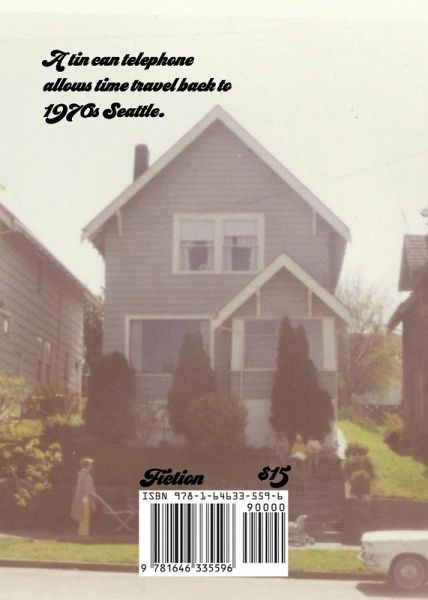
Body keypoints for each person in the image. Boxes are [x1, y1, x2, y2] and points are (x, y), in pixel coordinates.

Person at [71, 458, 97, 536]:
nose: (92, 466)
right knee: (85, 516)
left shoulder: (84, 474)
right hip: (84, 498)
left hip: (85, 498)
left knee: (84, 516)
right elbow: (85, 486)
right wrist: (92, 494)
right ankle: (84, 533)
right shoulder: (84, 474)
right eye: (90, 464)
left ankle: (83, 533)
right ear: (87, 465)